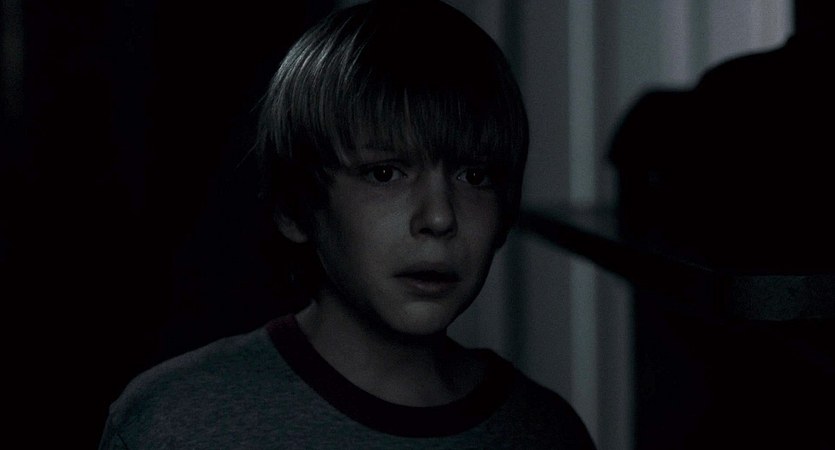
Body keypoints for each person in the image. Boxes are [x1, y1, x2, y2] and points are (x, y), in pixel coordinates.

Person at [99, 0, 596, 448]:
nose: (440, 217)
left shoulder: (546, 432)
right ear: (295, 209)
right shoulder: (176, 423)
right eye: (385, 173)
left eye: (474, 176)